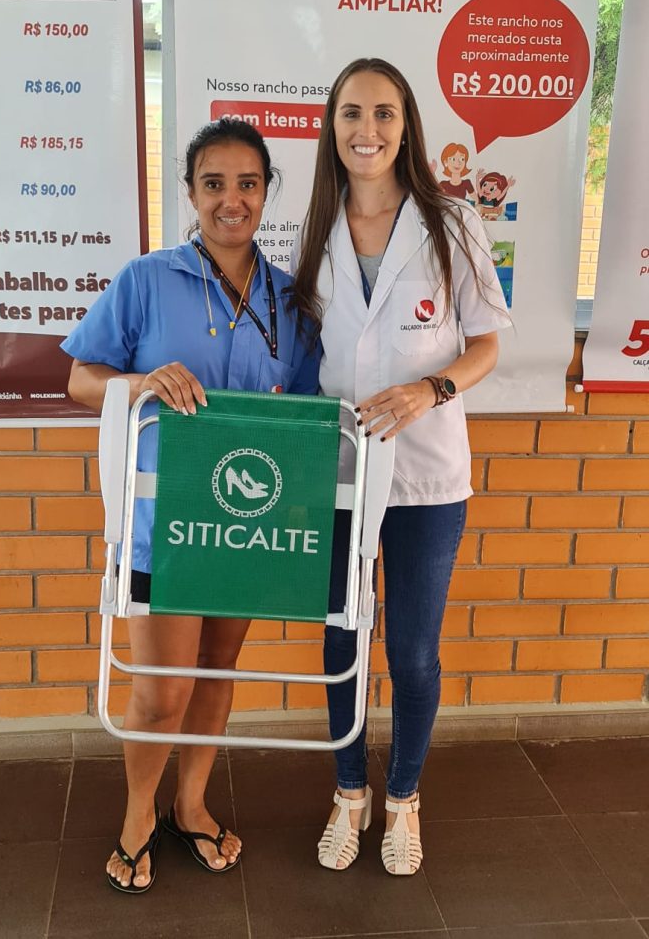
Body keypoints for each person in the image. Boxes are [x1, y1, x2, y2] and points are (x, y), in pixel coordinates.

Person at [61, 118, 319, 893]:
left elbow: (307, 411)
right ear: (191, 193)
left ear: (266, 192)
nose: (231, 200)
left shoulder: (290, 299)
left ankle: (191, 804)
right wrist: (140, 383)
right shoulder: (147, 279)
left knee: (215, 669)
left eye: (247, 184)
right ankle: (139, 814)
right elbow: (80, 379)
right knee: (161, 687)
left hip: (245, 525)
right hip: (164, 523)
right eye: (214, 184)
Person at [291, 58, 509, 876]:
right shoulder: (317, 226)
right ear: (332, 126)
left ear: (407, 125)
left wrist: (431, 388)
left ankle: (404, 800)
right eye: (352, 113)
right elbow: (305, 350)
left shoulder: (451, 222)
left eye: (384, 113)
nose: (367, 129)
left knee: (413, 652)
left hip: (426, 475)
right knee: (343, 639)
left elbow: (486, 344)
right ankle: (349, 792)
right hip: (339, 472)